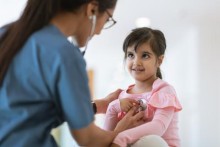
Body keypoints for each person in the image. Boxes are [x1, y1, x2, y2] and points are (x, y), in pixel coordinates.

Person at [0, 0, 145, 146]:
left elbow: (26, 112)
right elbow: (88, 139)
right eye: (107, 19)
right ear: (92, 9)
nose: (100, 31)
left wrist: (101, 105)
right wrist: (120, 132)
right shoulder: (64, 54)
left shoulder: (6, 34)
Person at [103, 27, 183, 147]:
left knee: (153, 142)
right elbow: (108, 137)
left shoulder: (165, 91)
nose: (136, 62)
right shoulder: (122, 95)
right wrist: (112, 107)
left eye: (145, 55)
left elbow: (158, 127)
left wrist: (122, 138)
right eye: (131, 55)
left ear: (159, 61)